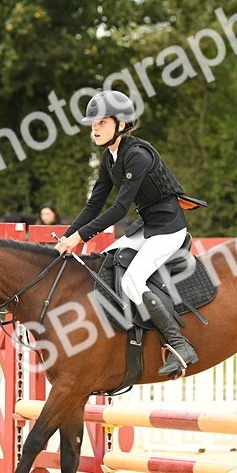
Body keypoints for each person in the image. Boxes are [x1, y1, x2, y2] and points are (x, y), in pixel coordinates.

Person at [54, 90, 197, 378]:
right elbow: (94, 204)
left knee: (133, 280)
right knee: (108, 260)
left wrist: (79, 238)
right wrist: (66, 238)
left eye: (102, 122)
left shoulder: (137, 156)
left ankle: (180, 345)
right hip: (148, 228)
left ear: (121, 124)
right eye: (92, 123)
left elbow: (119, 209)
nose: (94, 128)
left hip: (169, 228)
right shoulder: (110, 157)